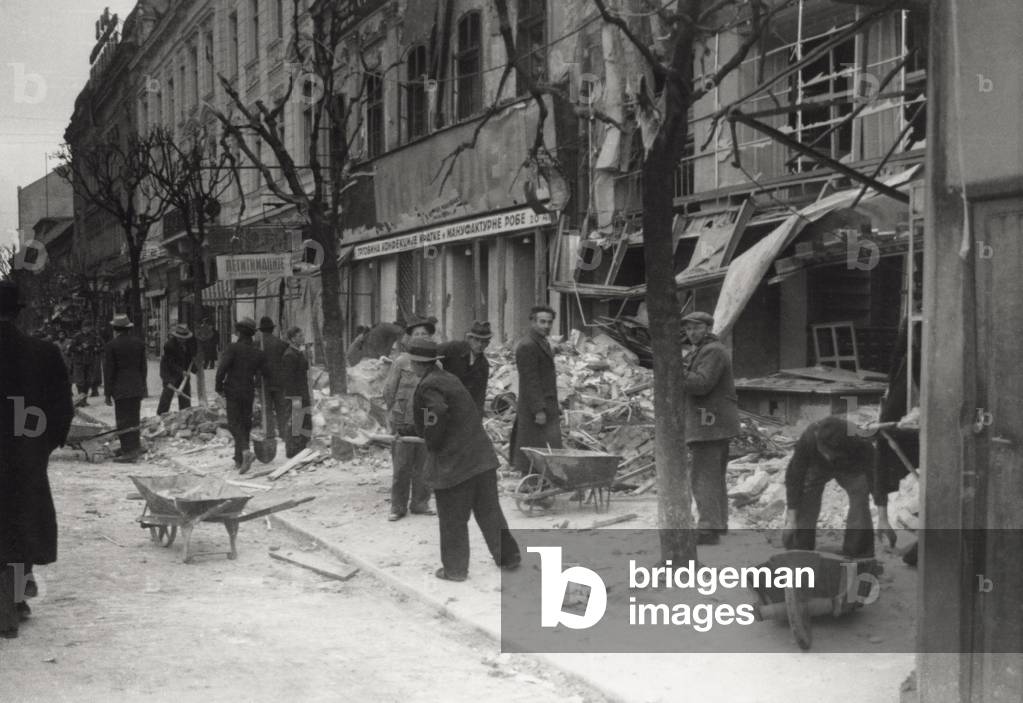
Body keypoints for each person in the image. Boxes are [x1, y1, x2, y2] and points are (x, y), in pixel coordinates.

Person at [409, 338, 521, 581]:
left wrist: (432, 439)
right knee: (490, 512)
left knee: (452, 518)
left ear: (416, 363)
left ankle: (455, 569)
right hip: (481, 457)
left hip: (455, 463)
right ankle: (509, 557)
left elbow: (434, 412)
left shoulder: (428, 385)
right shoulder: (449, 378)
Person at [0, 281, 74, 638]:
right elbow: (61, 408)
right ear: (19, 311)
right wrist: (43, 445)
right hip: (25, 453)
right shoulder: (43, 353)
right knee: (19, 522)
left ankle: (9, 603)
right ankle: (14, 598)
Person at [680, 311, 739, 545]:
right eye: (688, 329)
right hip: (712, 423)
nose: (691, 333)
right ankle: (716, 525)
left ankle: (707, 529)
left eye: (696, 328)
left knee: (703, 477)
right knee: (712, 476)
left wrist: (675, 370)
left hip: (709, 424)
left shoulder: (713, 351)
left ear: (708, 328)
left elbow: (702, 384)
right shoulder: (705, 350)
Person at [782, 415, 877, 558]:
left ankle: (858, 552)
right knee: (806, 492)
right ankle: (801, 549)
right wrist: (791, 520)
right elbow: (795, 477)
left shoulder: (858, 440)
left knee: (860, 493)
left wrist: (883, 518)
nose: (828, 457)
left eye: (831, 454)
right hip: (817, 465)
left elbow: (875, 476)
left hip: (849, 466)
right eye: (825, 452)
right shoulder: (809, 438)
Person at [381, 317, 437, 521]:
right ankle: (398, 507)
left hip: (425, 419)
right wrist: (393, 414)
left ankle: (421, 503)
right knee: (402, 466)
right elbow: (389, 390)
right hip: (402, 419)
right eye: (417, 334)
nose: (421, 337)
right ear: (410, 339)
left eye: (425, 334)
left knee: (424, 465)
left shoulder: (436, 363)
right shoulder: (402, 361)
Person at [510, 305, 562, 475]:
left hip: (546, 404)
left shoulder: (542, 342)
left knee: (545, 447)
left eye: (549, 322)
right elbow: (530, 381)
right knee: (535, 447)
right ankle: (532, 482)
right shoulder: (527, 346)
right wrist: (538, 410)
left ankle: (543, 482)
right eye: (542, 322)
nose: (546, 326)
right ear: (532, 322)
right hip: (536, 408)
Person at [215, 318, 269, 474]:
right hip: (248, 390)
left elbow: (222, 369)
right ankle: (239, 459)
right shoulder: (258, 353)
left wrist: (218, 387)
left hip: (232, 389)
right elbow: (263, 374)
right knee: (245, 423)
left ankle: (245, 452)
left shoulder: (233, 348)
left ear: (239, 332)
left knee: (233, 423)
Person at [103, 314, 148, 463]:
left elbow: (109, 370)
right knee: (134, 417)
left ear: (115, 329)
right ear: (129, 328)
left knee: (122, 419)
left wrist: (107, 394)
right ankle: (134, 447)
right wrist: (143, 386)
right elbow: (143, 368)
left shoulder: (111, 346)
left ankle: (128, 451)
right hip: (136, 386)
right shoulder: (139, 343)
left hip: (119, 388)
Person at [438, 320, 492, 414]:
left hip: (459, 409)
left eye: (483, 342)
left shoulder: (483, 366)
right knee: (428, 422)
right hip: (439, 401)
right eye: (476, 340)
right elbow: (430, 355)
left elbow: (479, 398)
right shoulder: (453, 348)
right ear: (469, 339)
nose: (480, 344)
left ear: (488, 344)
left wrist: (477, 423)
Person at [281, 326, 312, 459]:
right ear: (293, 339)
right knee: (295, 422)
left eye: (302, 335)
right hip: (295, 393)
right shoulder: (289, 355)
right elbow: (289, 378)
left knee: (303, 421)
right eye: (300, 336)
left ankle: (302, 448)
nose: (303, 338)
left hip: (302, 392)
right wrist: (295, 397)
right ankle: (292, 450)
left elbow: (305, 367)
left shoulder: (298, 353)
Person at [258, 316, 289, 444]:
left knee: (266, 409)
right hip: (279, 381)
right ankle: (284, 433)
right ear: (272, 329)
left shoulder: (257, 344)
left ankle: (269, 434)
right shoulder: (281, 343)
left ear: (261, 330)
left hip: (263, 381)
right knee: (281, 408)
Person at [156, 323, 196, 415]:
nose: (183, 340)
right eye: (180, 338)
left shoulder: (188, 343)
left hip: (183, 373)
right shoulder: (169, 345)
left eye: (184, 338)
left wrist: (194, 369)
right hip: (169, 373)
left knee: (185, 395)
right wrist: (181, 371)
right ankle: (161, 415)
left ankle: (185, 414)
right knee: (167, 394)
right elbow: (170, 363)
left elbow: (189, 358)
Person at [68, 319, 105, 404]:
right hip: (79, 362)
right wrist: (80, 348)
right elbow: (71, 348)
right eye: (87, 327)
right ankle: (81, 400)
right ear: (83, 327)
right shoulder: (77, 337)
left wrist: (96, 349)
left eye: (89, 327)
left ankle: (84, 400)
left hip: (90, 361)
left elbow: (100, 347)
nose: (88, 329)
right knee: (80, 381)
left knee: (88, 381)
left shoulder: (93, 337)